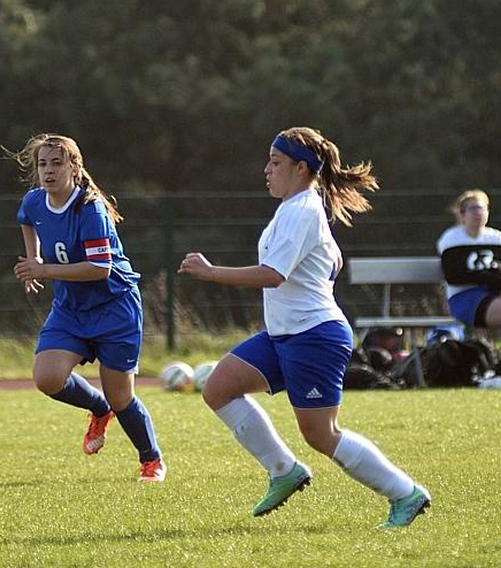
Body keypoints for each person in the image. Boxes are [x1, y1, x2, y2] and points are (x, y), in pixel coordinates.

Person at [178, 126, 430, 527]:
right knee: (219, 388)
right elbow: (330, 258)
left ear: (300, 168)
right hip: (284, 335)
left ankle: (406, 494)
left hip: (314, 337)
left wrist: (211, 273)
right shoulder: (297, 206)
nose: (266, 170)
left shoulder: (302, 210)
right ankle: (284, 470)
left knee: (321, 434)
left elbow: (273, 274)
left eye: (275, 163)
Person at [10, 133, 165, 482]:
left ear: (74, 167)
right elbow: (25, 217)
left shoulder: (90, 209)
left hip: (115, 308)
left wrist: (44, 269)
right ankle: (98, 408)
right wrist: (33, 256)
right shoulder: (35, 201)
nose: (48, 171)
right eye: (42, 164)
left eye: (57, 163)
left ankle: (151, 460)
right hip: (71, 309)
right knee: (47, 378)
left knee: (122, 396)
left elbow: (100, 268)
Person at [436, 189, 501, 389]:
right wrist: (488, 275)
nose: (478, 212)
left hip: (494, 289)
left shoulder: (496, 237)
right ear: (462, 215)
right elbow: (455, 276)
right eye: (472, 208)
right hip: (465, 296)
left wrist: (492, 277)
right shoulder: (451, 238)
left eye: (482, 208)